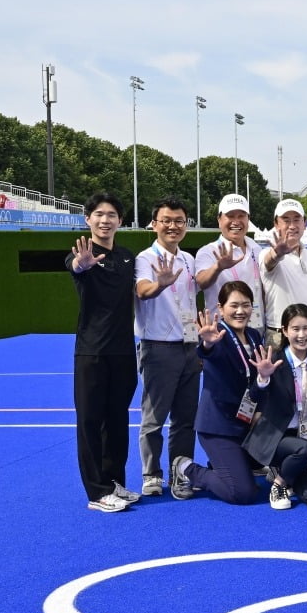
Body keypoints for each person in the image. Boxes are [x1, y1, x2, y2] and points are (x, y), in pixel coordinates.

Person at [68, 193, 140, 512]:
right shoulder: (81, 254)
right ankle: (96, 492)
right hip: (91, 352)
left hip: (123, 352)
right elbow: (75, 266)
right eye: (98, 214)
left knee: (117, 420)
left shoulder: (127, 257)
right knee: (90, 420)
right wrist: (80, 265)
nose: (105, 219)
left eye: (112, 214)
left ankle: (114, 483)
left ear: (120, 221)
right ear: (88, 219)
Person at [170, 281, 266, 505]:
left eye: (246, 305)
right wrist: (207, 345)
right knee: (243, 492)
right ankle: (187, 468)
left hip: (244, 423)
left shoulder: (254, 335)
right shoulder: (218, 335)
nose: (240, 311)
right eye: (234, 305)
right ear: (221, 308)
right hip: (219, 427)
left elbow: (256, 380)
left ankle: (221, 466)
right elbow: (207, 353)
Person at [134, 196, 200, 499]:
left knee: (186, 418)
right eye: (167, 221)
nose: (173, 226)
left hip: (189, 346)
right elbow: (143, 291)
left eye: (179, 221)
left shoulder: (188, 259)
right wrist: (160, 284)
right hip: (158, 347)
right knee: (154, 417)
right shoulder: (144, 258)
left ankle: (181, 471)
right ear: (154, 224)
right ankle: (151, 473)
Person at [242, 303, 307, 510]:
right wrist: (262, 378)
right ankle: (279, 483)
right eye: (295, 329)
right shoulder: (273, 361)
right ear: (284, 331)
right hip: (275, 438)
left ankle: (287, 471)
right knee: (304, 449)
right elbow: (253, 397)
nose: (302, 335)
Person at [261, 198, 307, 353]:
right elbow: (269, 262)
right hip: (278, 335)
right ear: (276, 223)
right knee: (277, 377)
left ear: (304, 223)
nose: (292, 225)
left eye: (297, 219)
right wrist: (277, 254)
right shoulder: (266, 253)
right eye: (286, 220)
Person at [195, 194, 264, 331]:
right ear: (219, 220)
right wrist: (218, 267)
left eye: (241, 216)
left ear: (248, 219)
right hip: (222, 329)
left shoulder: (257, 249)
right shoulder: (208, 251)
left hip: (255, 327)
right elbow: (201, 282)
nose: (236, 222)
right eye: (230, 216)